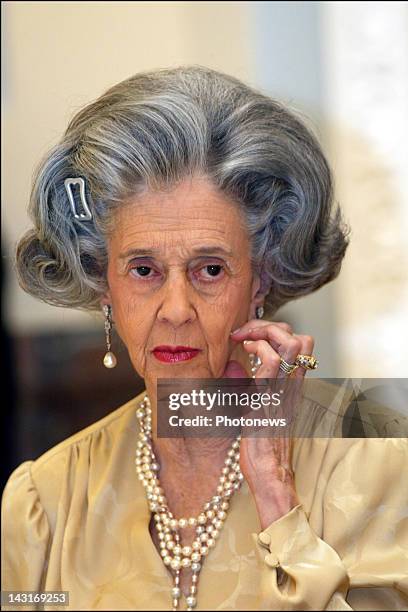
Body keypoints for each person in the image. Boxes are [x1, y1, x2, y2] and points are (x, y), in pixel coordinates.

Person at [2, 65, 407, 611]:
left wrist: (276, 495)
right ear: (103, 284)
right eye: (143, 270)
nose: (175, 310)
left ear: (260, 278)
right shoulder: (44, 501)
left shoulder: (373, 466)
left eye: (210, 270)